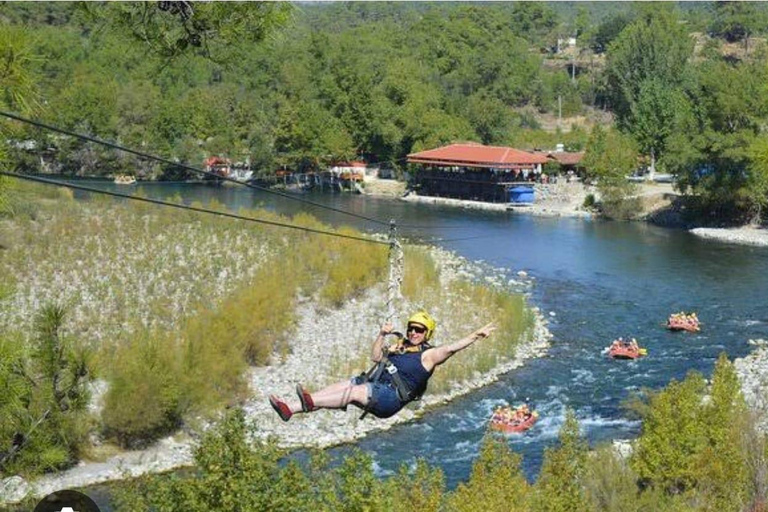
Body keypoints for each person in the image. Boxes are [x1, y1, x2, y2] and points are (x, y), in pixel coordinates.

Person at [268, 311, 495, 421]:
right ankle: (290, 409)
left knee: (354, 391)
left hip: (390, 398)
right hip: (375, 385)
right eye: (411, 328)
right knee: (345, 384)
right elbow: (375, 357)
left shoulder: (429, 355)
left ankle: (311, 401)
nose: (414, 333)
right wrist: (381, 335)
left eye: (419, 330)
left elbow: (452, 348)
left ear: (427, 334)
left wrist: (476, 335)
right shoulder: (400, 346)